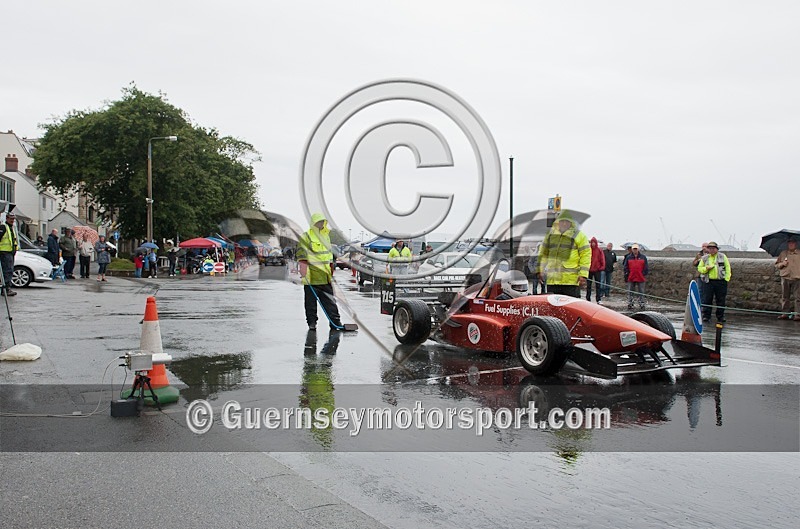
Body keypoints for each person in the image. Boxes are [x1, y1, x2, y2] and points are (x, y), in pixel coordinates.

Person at [296, 213, 342, 331]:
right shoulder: (306, 236)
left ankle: (335, 322)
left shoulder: (326, 236)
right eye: (319, 222)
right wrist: (303, 270)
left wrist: (331, 269)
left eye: (322, 222)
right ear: (314, 223)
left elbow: (329, 256)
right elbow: (301, 254)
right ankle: (312, 323)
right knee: (310, 304)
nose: (321, 224)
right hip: (311, 277)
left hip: (325, 276)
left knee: (330, 302)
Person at [537, 210, 590, 298]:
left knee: (571, 309)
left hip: (571, 281)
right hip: (553, 280)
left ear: (571, 223)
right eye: (562, 221)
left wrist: (583, 275)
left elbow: (586, 255)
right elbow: (543, 254)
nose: (564, 224)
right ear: (558, 223)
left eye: (567, 221)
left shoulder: (579, 236)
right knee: (554, 309)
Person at [697, 241, 731, 323]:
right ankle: (706, 316)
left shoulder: (722, 256)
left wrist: (726, 279)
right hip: (708, 281)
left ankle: (720, 316)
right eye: (710, 248)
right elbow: (700, 268)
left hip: (720, 281)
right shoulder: (705, 258)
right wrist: (706, 269)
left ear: (716, 249)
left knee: (721, 299)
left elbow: (727, 268)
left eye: (713, 248)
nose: (711, 250)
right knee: (707, 299)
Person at [775, 237, 800, 321]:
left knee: (798, 297)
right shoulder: (783, 253)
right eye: (789, 243)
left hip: (797, 278)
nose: (791, 244)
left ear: (795, 244)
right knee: (785, 297)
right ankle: (785, 313)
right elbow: (777, 265)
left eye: (792, 243)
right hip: (785, 277)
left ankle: (797, 314)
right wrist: (783, 264)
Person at [0, 211, 20, 296]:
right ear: (7, 218)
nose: (12, 220)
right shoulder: (4, 227)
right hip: (5, 252)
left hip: (10, 252)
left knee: (9, 271)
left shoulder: (11, 228)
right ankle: (6, 289)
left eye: (13, 219)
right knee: (7, 271)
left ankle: (6, 288)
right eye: (11, 219)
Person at [624, 244, 648, 310]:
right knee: (630, 291)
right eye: (634, 249)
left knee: (641, 291)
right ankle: (630, 303)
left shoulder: (643, 257)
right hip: (631, 277)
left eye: (636, 249)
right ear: (632, 249)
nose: (635, 250)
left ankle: (642, 303)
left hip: (640, 277)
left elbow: (646, 267)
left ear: (638, 249)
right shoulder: (628, 257)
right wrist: (627, 274)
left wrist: (643, 274)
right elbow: (626, 267)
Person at [586, 237, 606, 303]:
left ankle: (598, 299)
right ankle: (588, 298)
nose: (593, 244)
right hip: (589, 270)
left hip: (597, 270)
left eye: (594, 242)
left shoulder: (599, 250)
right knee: (588, 285)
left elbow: (602, 259)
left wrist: (601, 267)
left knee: (598, 285)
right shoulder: (588, 250)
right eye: (592, 242)